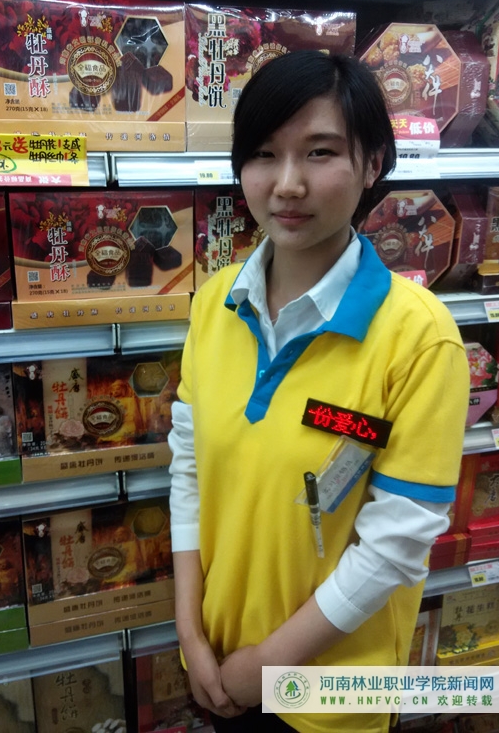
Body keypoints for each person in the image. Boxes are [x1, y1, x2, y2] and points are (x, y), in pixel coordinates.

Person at [168, 50, 469, 733]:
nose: (287, 184)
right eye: (264, 155)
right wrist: (189, 627)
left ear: (373, 163)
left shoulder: (421, 340)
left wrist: (266, 668)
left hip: (331, 695)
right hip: (217, 657)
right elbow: (189, 468)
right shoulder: (215, 302)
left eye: (320, 152)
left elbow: (395, 545)